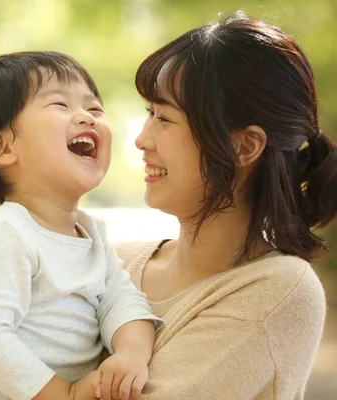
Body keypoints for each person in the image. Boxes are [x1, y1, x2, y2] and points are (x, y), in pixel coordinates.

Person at [115, 12, 335, 399]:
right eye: (149, 113)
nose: (142, 139)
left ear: (244, 146)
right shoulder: (113, 262)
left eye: (164, 118)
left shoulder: (279, 290)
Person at [0, 51, 162, 400]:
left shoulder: (93, 235)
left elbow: (121, 301)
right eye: (60, 104)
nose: (86, 117)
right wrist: (64, 395)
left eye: (94, 109)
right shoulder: (6, 235)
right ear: (1, 146)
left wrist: (132, 353)